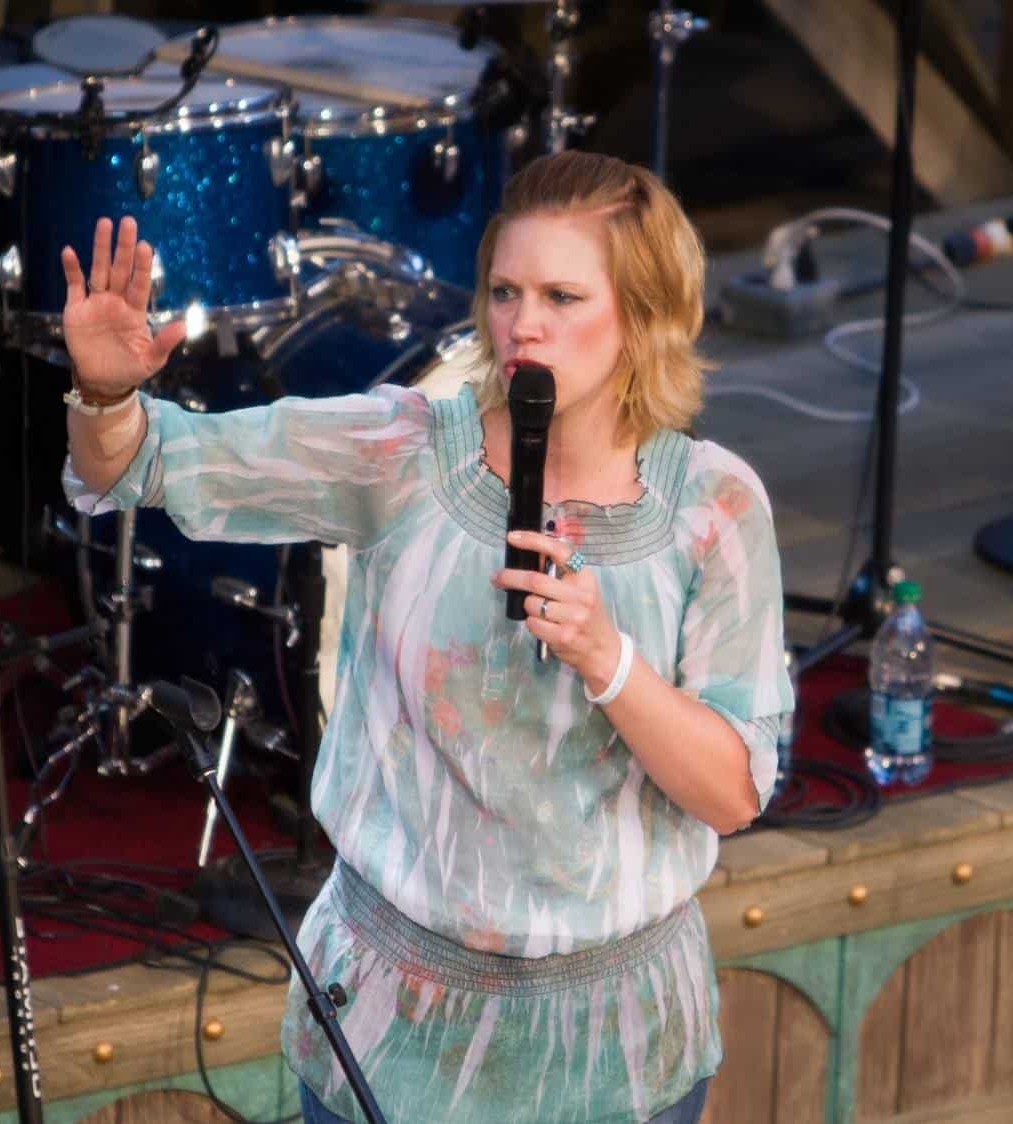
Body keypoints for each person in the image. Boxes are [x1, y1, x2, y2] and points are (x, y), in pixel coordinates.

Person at [60, 151, 793, 1124]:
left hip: (617, 1051)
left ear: (646, 313)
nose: (521, 321)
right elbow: (147, 462)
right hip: (397, 1031)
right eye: (503, 290)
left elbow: (731, 790)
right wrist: (104, 398)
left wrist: (607, 660)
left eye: (562, 294)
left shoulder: (714, 506)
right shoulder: (404, 452)